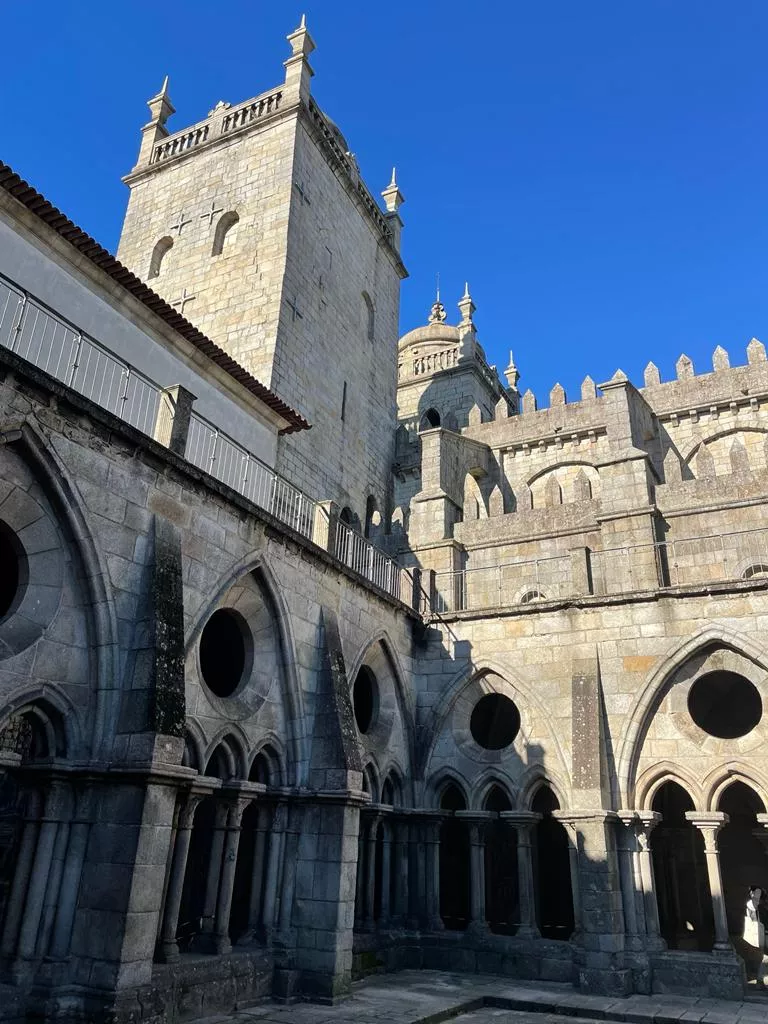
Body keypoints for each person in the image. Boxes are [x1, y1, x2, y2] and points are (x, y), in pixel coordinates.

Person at [743, 885, 768, 985]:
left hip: (764, 934)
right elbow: (754, 904)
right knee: (764, 958)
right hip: (759, 936)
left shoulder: (763, 905)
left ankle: (760, 980)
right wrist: (757, 892)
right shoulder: (751, 904)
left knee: (765, 958)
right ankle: (759, 980)